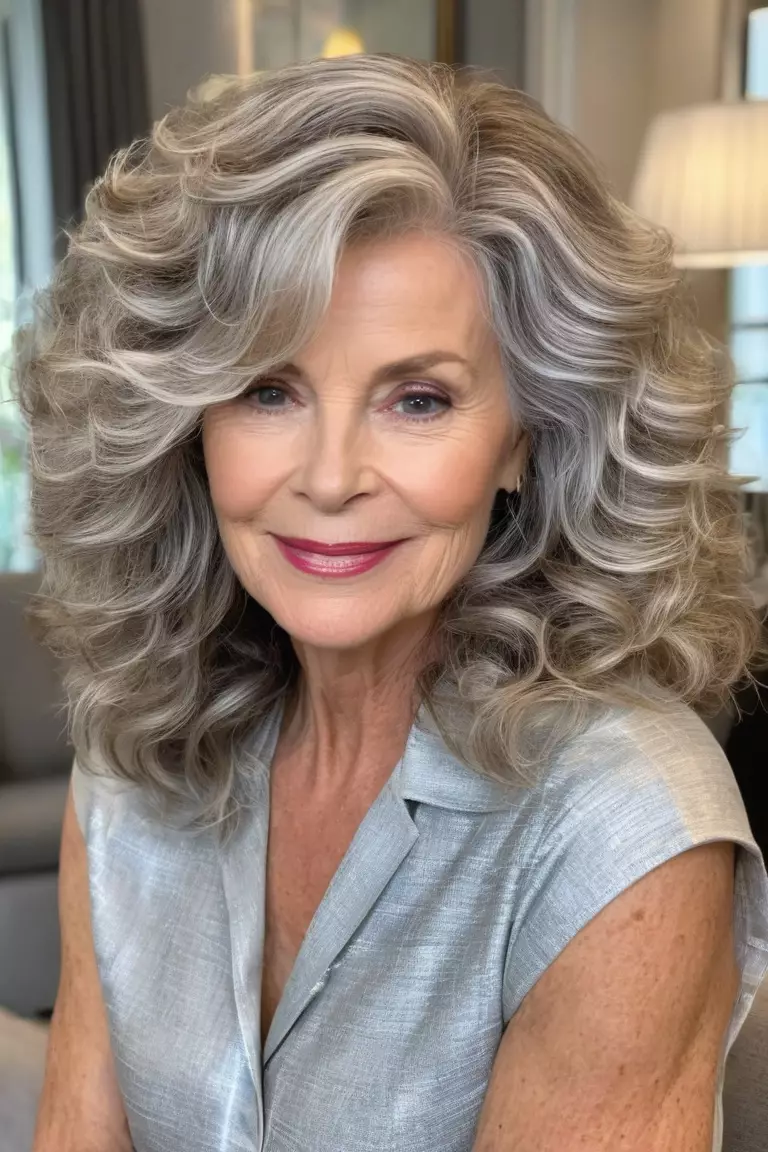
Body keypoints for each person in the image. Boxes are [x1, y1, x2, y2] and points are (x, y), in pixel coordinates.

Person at [18, 53, 768, 1152]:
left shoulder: (620, 824)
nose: (328, 477)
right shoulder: (135, 745)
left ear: (524, 437)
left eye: (418, 399)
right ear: (188, 423)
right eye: (268, 389)